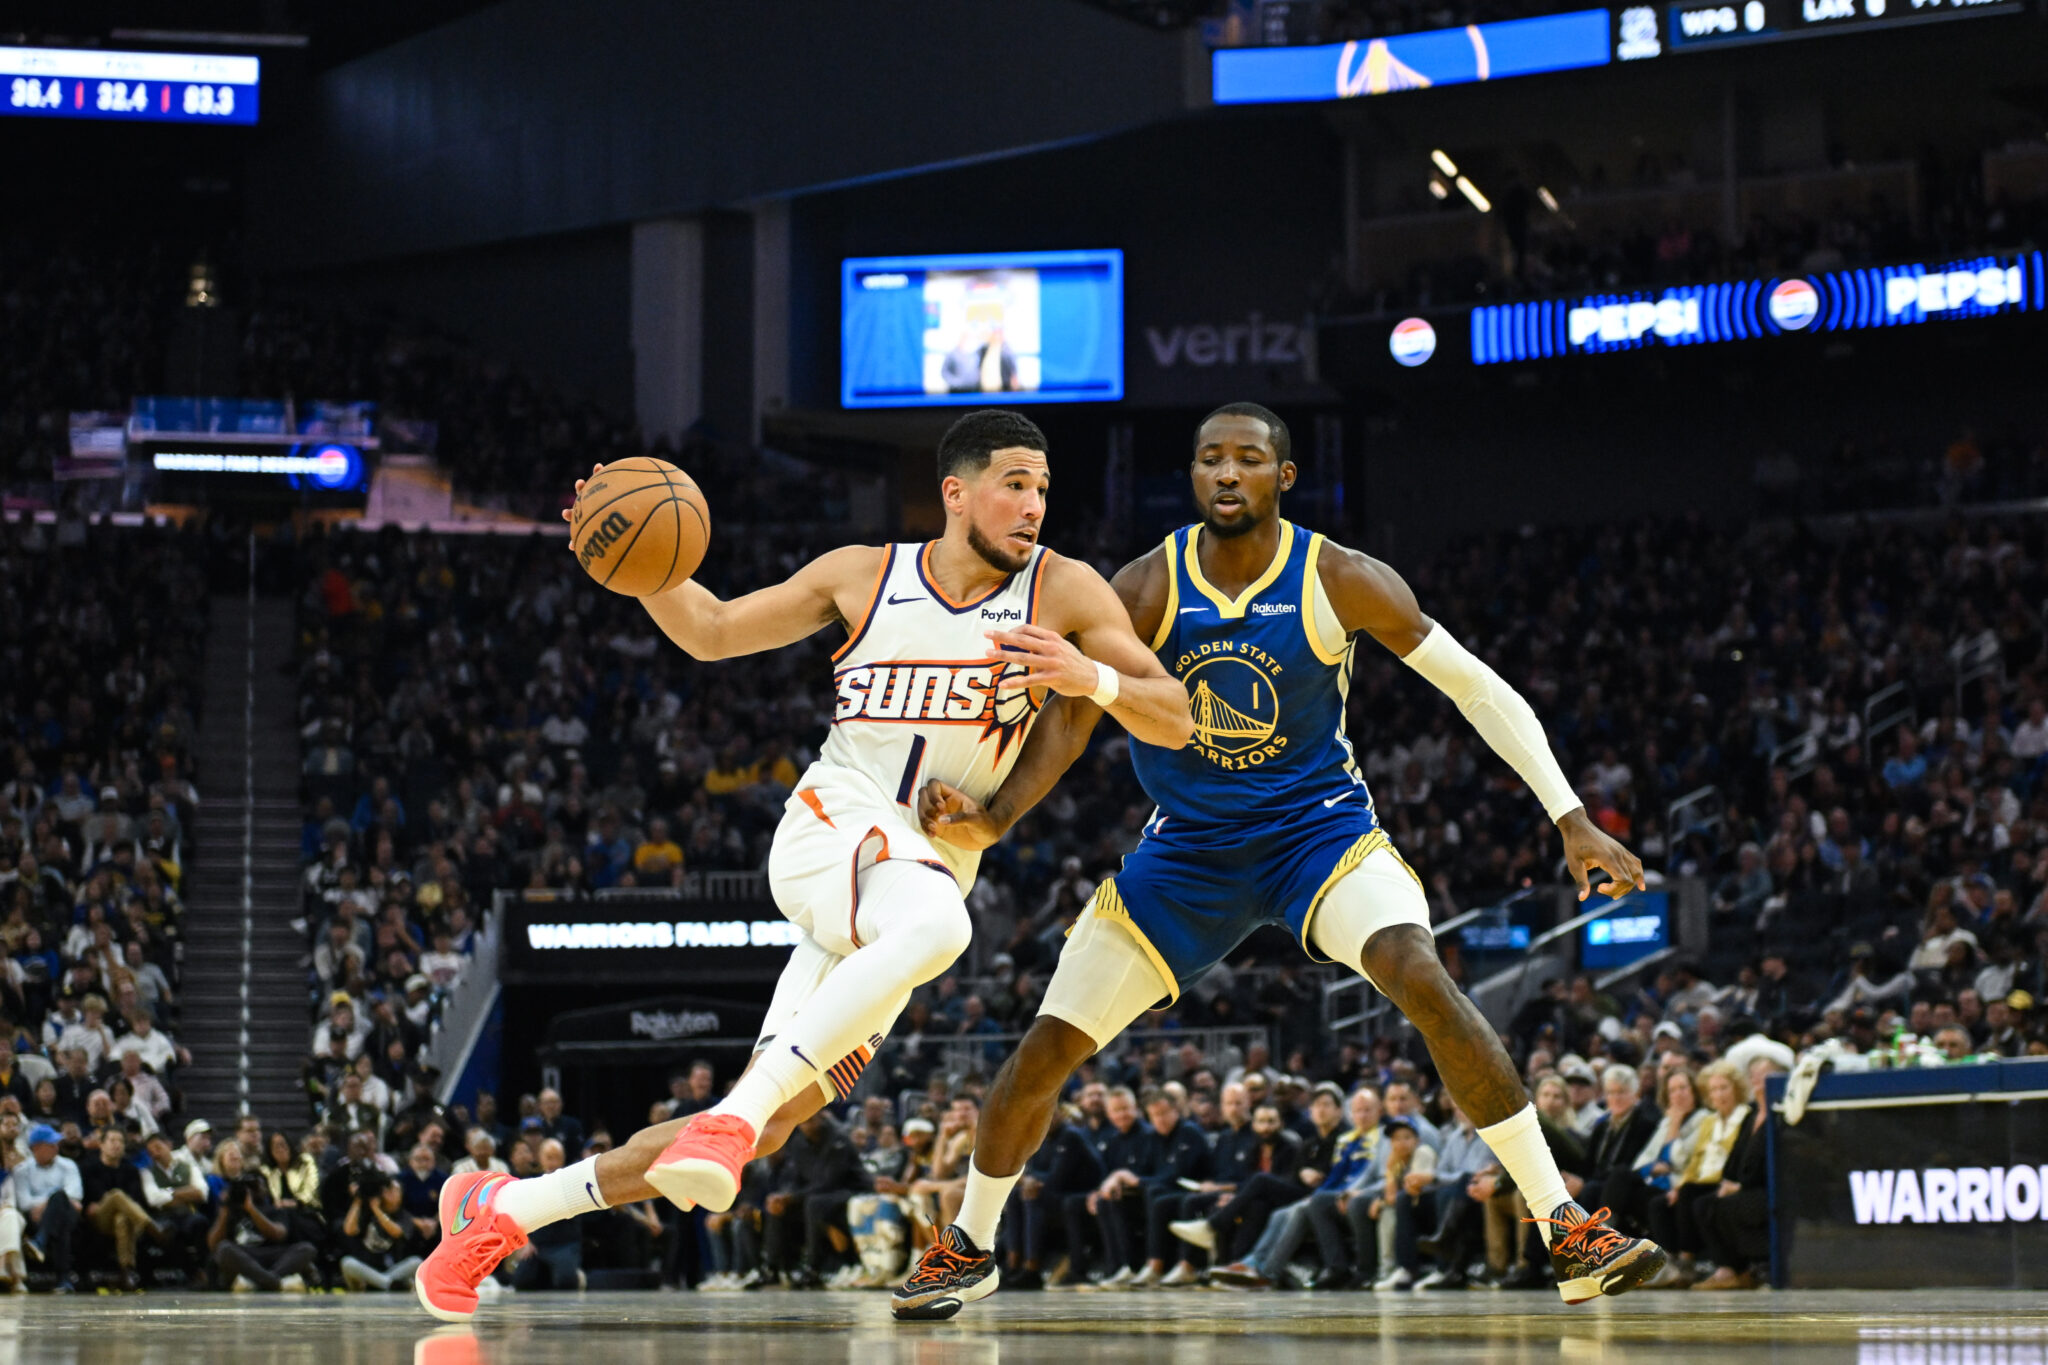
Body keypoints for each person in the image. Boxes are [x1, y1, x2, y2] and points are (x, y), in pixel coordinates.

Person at [415, 409, 1193, 1322]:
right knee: (940, 930)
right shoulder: (863, 573)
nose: (1033, 505)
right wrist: (637, 559)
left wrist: (1086, 676)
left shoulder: (1065, 593)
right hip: (838, 827)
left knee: (771, 1123)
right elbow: (708, 629)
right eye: (1014, 483)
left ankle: (501, 1208)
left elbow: (1173, 714)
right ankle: (729, 1116)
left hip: (916, 875)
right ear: (956, 492)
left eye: (1043, 488)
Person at [896, 402, 1662, 1320]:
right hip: (1187, 850)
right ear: (1192, 477)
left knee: (1420, 970)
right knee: (1046, 1045)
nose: (1226, 474)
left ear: (1281, 477)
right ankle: (970, 1245)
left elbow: (1474, 685)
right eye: (1209, 459)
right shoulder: (1146, 583)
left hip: (1318, 833)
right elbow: (1071, 713)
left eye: (1247, 460)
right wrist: (994, 816)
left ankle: (1564, 1223)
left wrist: (1570, 814)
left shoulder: (1340, 576)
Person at [208, 1139, 318, 1292]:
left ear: (266, 1189)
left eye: (257, 1185)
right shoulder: (230, 1208)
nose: (254, 1190)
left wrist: (252, 1209)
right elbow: (213, 1244)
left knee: (306, 1249)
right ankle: (276, 1282)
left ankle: (257, 1282)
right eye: (250, 1186)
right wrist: (225, 1209)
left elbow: (278, 1235)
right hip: (245, 1255)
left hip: (273, 1254)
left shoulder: (274, 1210)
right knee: (223, 1250)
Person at [79, 1128, 160, 1289]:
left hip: (128, 1219)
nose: (117, 1145)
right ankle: (151, 1226)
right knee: (116, 1195)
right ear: (101, 1145)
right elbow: (92, 1200)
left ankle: (127, 1271)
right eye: (112, 1140)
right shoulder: (89, 1167)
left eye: (121, 1141)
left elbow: (136, 1200)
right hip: (99, 1218)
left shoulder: (131, 1169)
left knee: (122, 1219)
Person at [12, 1124, 81, 1289]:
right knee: (60, 1217)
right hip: (37, 1218)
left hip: (66, 1213)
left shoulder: (68, 1165)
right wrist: (50, 1203)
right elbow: (23, 1202)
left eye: (56, 1143)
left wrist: (45, 1203)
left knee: (60, 1198)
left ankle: (39, 1241)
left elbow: (74, 1195)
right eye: (50, 1144)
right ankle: (63, 1279)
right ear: (36, 1148)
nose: (55, 1147)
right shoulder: (21, 1170)